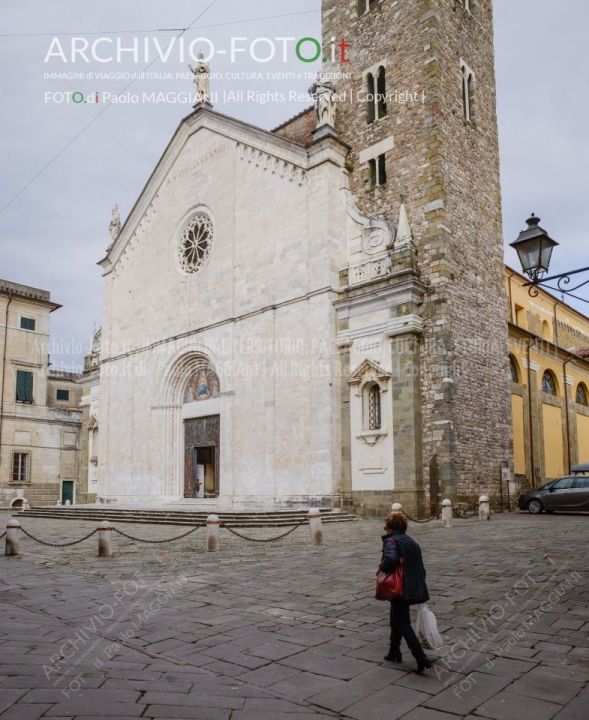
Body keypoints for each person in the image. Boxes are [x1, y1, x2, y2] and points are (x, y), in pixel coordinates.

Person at [380, 513, 432, 674]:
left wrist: (383, 566)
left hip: (399, 587)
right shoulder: (411, 541)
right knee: (395, 619)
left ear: (390, 527)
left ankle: (420, 657)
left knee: (402, 622)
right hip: (413, 586)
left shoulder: (392, 541)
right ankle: (393, 651)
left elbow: (390, 560)